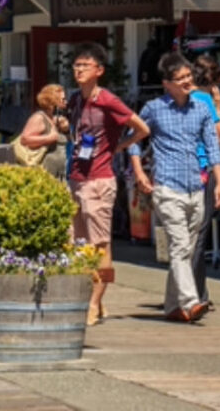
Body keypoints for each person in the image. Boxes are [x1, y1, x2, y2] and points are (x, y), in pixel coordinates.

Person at [129, 51, 220, 323]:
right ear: (166, 83)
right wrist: (139, 172)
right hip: (168, 187)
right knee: (180, 245)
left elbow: (212, 147)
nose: (186, 81)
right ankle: (191, 300)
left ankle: (172, 306)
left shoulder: (201, 108)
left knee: (188, 247)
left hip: (196, 185)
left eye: (188, 76)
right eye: (179, 78)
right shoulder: (153, 109)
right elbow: (133, 139)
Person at [66, 42, 149, 327]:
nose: (78, 70)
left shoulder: (108, 100)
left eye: (84, 66)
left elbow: (142, 128)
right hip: (75, 178)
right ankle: (90, 300)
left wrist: (119, 146)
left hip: (99, 180)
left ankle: (93, 303)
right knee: (76, 244)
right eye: (76, 65)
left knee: (99, 244)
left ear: (99, 71)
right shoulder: (76, 100)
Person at [190, 54, 220, 308]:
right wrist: (219, 105)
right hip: (204, 169)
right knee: (199, 233)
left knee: (186, 234)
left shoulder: (174, 98)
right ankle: (195, 293)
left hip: (181, 170)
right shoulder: (204, 99)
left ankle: (194, 290)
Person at [16, 83, 70, 182]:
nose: (66, 102)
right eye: (63, 99)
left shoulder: (54, 119)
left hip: (58, 175)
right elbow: (25, 139)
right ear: (53, 100)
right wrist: (49, 138)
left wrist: (66, 130)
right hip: (44, 174)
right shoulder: (39, 118)